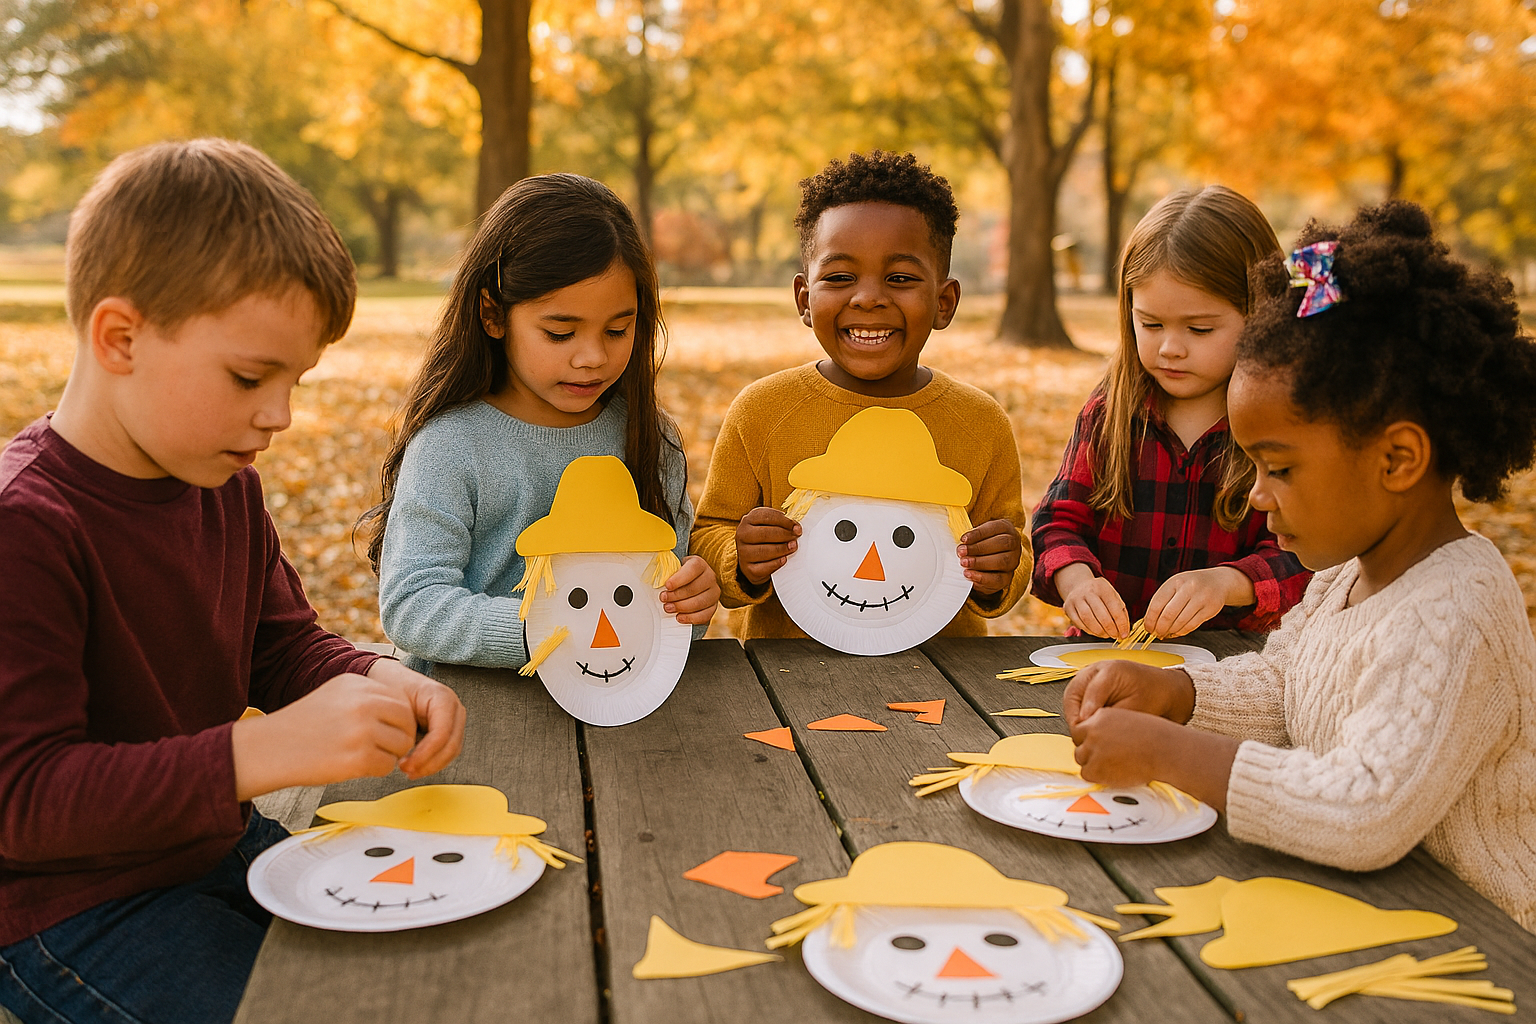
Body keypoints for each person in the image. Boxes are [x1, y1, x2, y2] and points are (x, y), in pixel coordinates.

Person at [0, 139, 466, 1024]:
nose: (279, 415)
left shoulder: (222, 484)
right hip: (75, 907)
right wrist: (259, 755)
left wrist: (379, 676)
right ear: (120, 338)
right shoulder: (26, 525)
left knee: (421, 975)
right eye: (251, 377)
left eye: (295, 380)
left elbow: (281, 647)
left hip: (212, 841)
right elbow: (23, 800)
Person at [1065, 201, 1536, 931]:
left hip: (1477, 938)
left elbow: (1363, 810)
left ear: (1398, 459)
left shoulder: (1454, 611)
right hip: (1366, 910)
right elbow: (1286, 684)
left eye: (1278, 468)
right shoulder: (1349, 574)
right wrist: (1175, 692)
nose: (1256, 495)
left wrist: (1171, 751)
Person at [365, 174, 719, 672]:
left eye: (618, 329)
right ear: (493, 314)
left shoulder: (649, 437)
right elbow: (413, 605)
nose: (592, 357)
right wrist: (546, 632)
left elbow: (663, 609)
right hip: (470, 706)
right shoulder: (451, 446)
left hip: (615, 697)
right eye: (560, 333)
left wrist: (691, 600)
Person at [690, 150, 1030, 640]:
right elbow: (709, 534)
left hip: (941, 673)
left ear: (944, 302)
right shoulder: (761, 412)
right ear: (805, 300)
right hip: (786, 673)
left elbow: (1012, 552)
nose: (868, 297)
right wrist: (739, 557)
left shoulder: (980, 423)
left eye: (900, 278)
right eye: (840, 277)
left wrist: (999, 570)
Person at [1031, 186, 1311, 640]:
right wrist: (1077, 580)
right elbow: (1056, 523)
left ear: (1260, 314)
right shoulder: (1109, 413)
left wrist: (1226, 584)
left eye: (1199, 329)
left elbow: (1307, 558)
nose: (1170, 348)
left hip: (1233, 666)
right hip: (1105, 658)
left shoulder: (1285, 423)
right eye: (1151, 324)